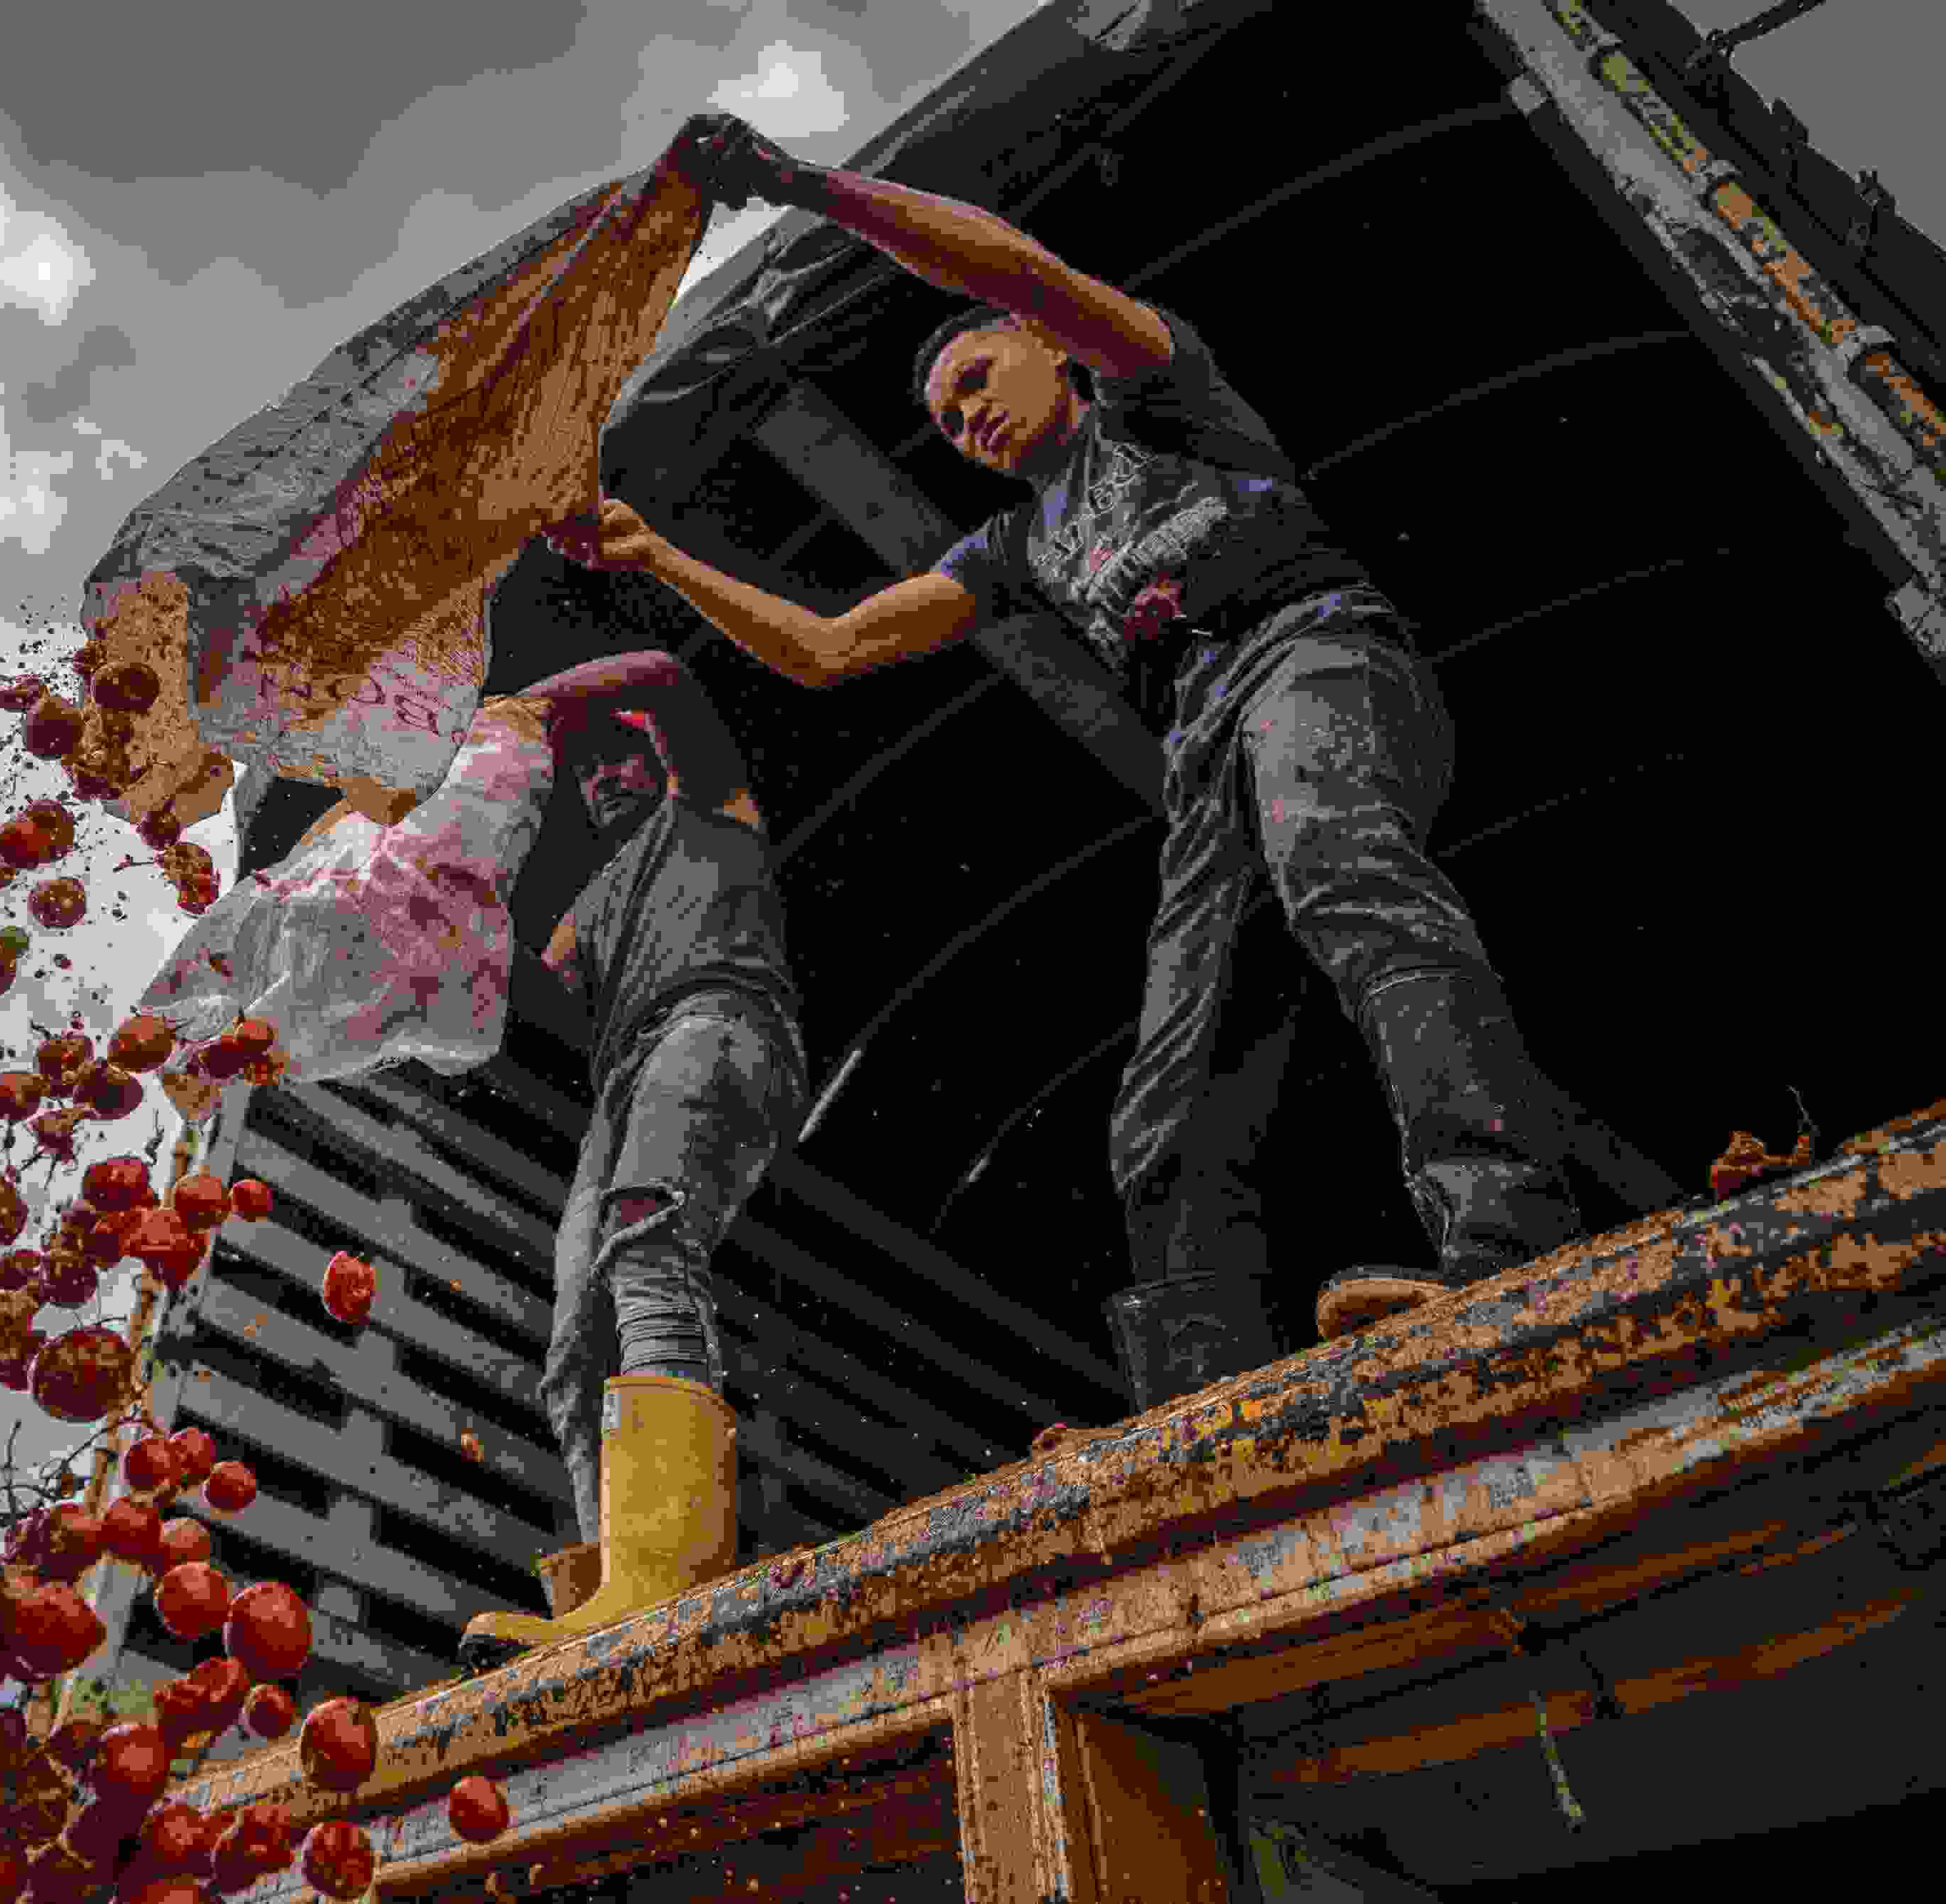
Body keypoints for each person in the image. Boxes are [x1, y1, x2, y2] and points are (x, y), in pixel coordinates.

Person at [543, 112, 1611, 1444]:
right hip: (1205, 754)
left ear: (1043, 345)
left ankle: (1506, 1233)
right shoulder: (1012, 547)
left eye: (978, 379)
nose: (968, 419)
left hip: (1317, 656)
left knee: (1344, 874)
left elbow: (1010, 265)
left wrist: (804, 186)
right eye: (946, 422)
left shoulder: (1155, 391)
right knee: (1168, 1088)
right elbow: (830, 648)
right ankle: (1198, 1401)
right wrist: (657, 553)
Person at [136, 648, 805, 1671]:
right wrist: (399, 907)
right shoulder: (586, 912)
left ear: (660, 760)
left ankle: (669, 1574)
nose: (604, 776)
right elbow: (503, 984)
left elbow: (664, 673)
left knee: (646, 1239)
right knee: (573, 1354)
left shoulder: (715, 810)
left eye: (625, 757)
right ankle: (612, 1597)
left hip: (720, 1023)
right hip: (625, 1077)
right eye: (591, 769)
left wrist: (522, 712)